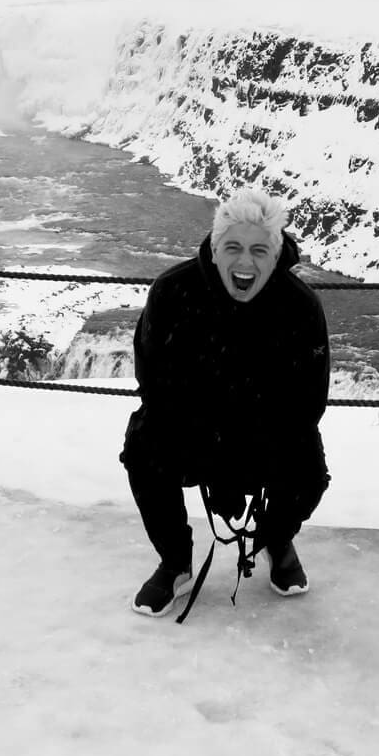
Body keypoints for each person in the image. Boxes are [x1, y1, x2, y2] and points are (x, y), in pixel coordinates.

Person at [121, 186, 331, 617]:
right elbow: (154, 383)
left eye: (259, 250)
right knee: (143, 446)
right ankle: (175, 561)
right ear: (215, 251)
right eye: (232, 247)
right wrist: (211, 442)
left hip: (264, 432)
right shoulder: (172, 292)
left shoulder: (300, 306)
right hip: (192, 427)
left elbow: (308, 401)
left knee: (308, 468)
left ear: (277, 257)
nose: (244, 261)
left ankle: (277, 539)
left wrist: (245, 449)